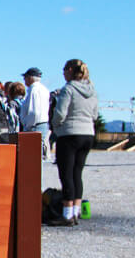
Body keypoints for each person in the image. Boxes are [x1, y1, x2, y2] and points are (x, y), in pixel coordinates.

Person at [50, 59, 99, 226]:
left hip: (70, 134)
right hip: (88, 134)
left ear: (70, 70)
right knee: (78, 173)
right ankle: (77, 211)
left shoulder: (68, 89)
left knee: (66, 174)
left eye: (64, 70)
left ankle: (66, 214)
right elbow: (95, 115)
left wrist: (55, 126)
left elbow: (60, 113)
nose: (63, 73)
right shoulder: (92, 90)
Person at [20, 67, 50, 160]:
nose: (24, 80)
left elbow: (34, 112)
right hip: (42, 124)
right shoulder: (44, 89)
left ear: (30, 78)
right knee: (38, 156)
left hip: (34, 126)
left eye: (25, 77)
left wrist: (27, 125)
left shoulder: (34, 90)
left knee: (32, 158)